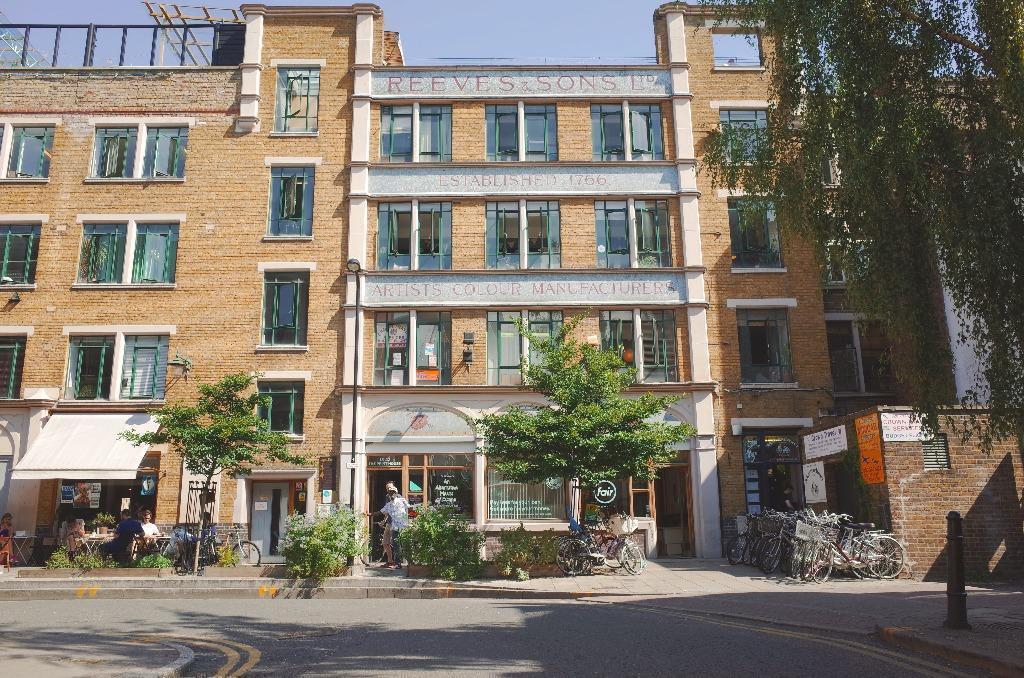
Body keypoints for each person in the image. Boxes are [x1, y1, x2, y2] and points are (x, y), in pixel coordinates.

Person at [380, 486, 410, 569]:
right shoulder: (389, 504)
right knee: (395, 544)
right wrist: (369, 514)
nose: (391, 494)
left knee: (405, 544)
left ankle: (410, 563)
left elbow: (408, 510)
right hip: (394, 527)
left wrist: (407, 521)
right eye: (390, 492)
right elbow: (382, 512)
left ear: (396, 493)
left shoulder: (402, 500)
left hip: (403, 526)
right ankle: (397, 563)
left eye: (393, 492)